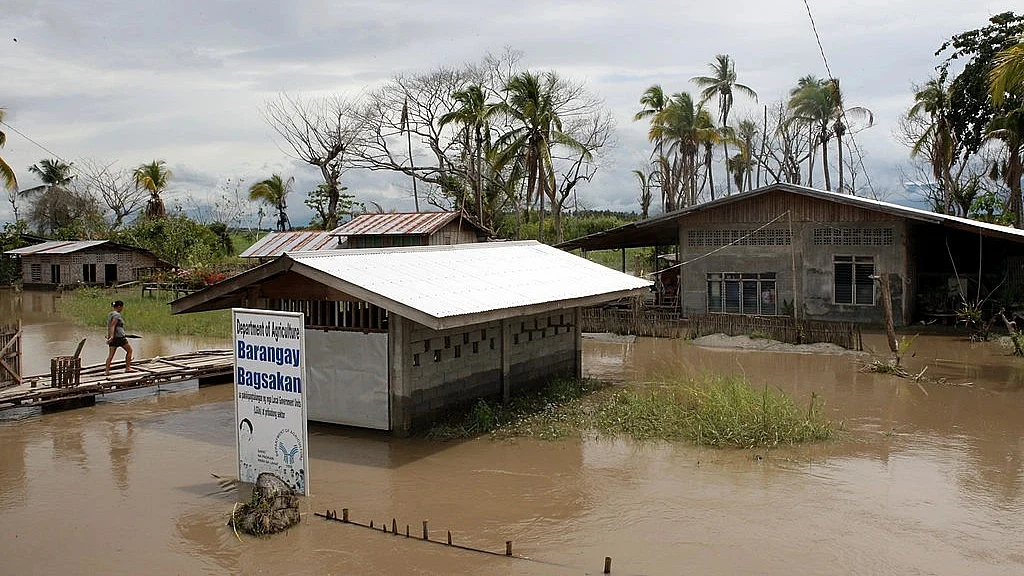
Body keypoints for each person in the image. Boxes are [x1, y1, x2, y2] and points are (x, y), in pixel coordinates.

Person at [104, 300, 134, 376]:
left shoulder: (110, 314)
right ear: (119, 307)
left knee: (110, 355)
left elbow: (111, 326)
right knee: (129, 350)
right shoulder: (117, 315)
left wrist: (110, 337)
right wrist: (112, 336)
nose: (123, 308)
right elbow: (113, 325)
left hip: (113, 338)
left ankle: (107, 371)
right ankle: (128, 368)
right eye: (122, 307)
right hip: (119, 338)